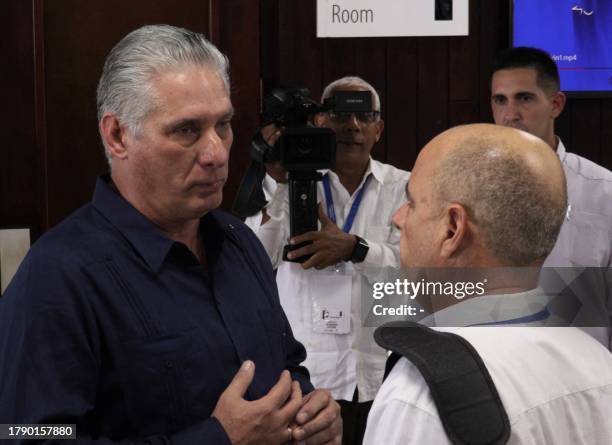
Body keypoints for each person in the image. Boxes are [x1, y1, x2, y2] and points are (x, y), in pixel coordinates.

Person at [0, 24, 341, 445]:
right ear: (117, 135)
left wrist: (311, 410)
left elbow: (286, 364)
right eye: (186, 131)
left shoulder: (240, 242)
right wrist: (219, 439)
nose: (216, 153)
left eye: (224, 125)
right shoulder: (57, 277)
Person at [362, 124, 612, 445]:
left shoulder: (421, 398)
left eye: (411, 202)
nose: (398, 218)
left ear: (453, 228)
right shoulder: (599, 364)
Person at [246, 76, 409, 445]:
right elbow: (253, 261)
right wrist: (278, 181)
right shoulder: (288, 185)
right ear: (319, 122)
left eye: (364, 116)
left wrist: (357, 248)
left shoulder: (407, 187)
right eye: (339, 115)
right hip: (308, 378)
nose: (352, 126)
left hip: (382, 373)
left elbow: (420, 271)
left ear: (379, 129)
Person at [490, 46, 612, 347]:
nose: (510, 114)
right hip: (501, 369)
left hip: (584, 371)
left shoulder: (603, 191)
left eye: (525, 98)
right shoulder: (473, 189)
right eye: (500, 100)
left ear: (556, 104)